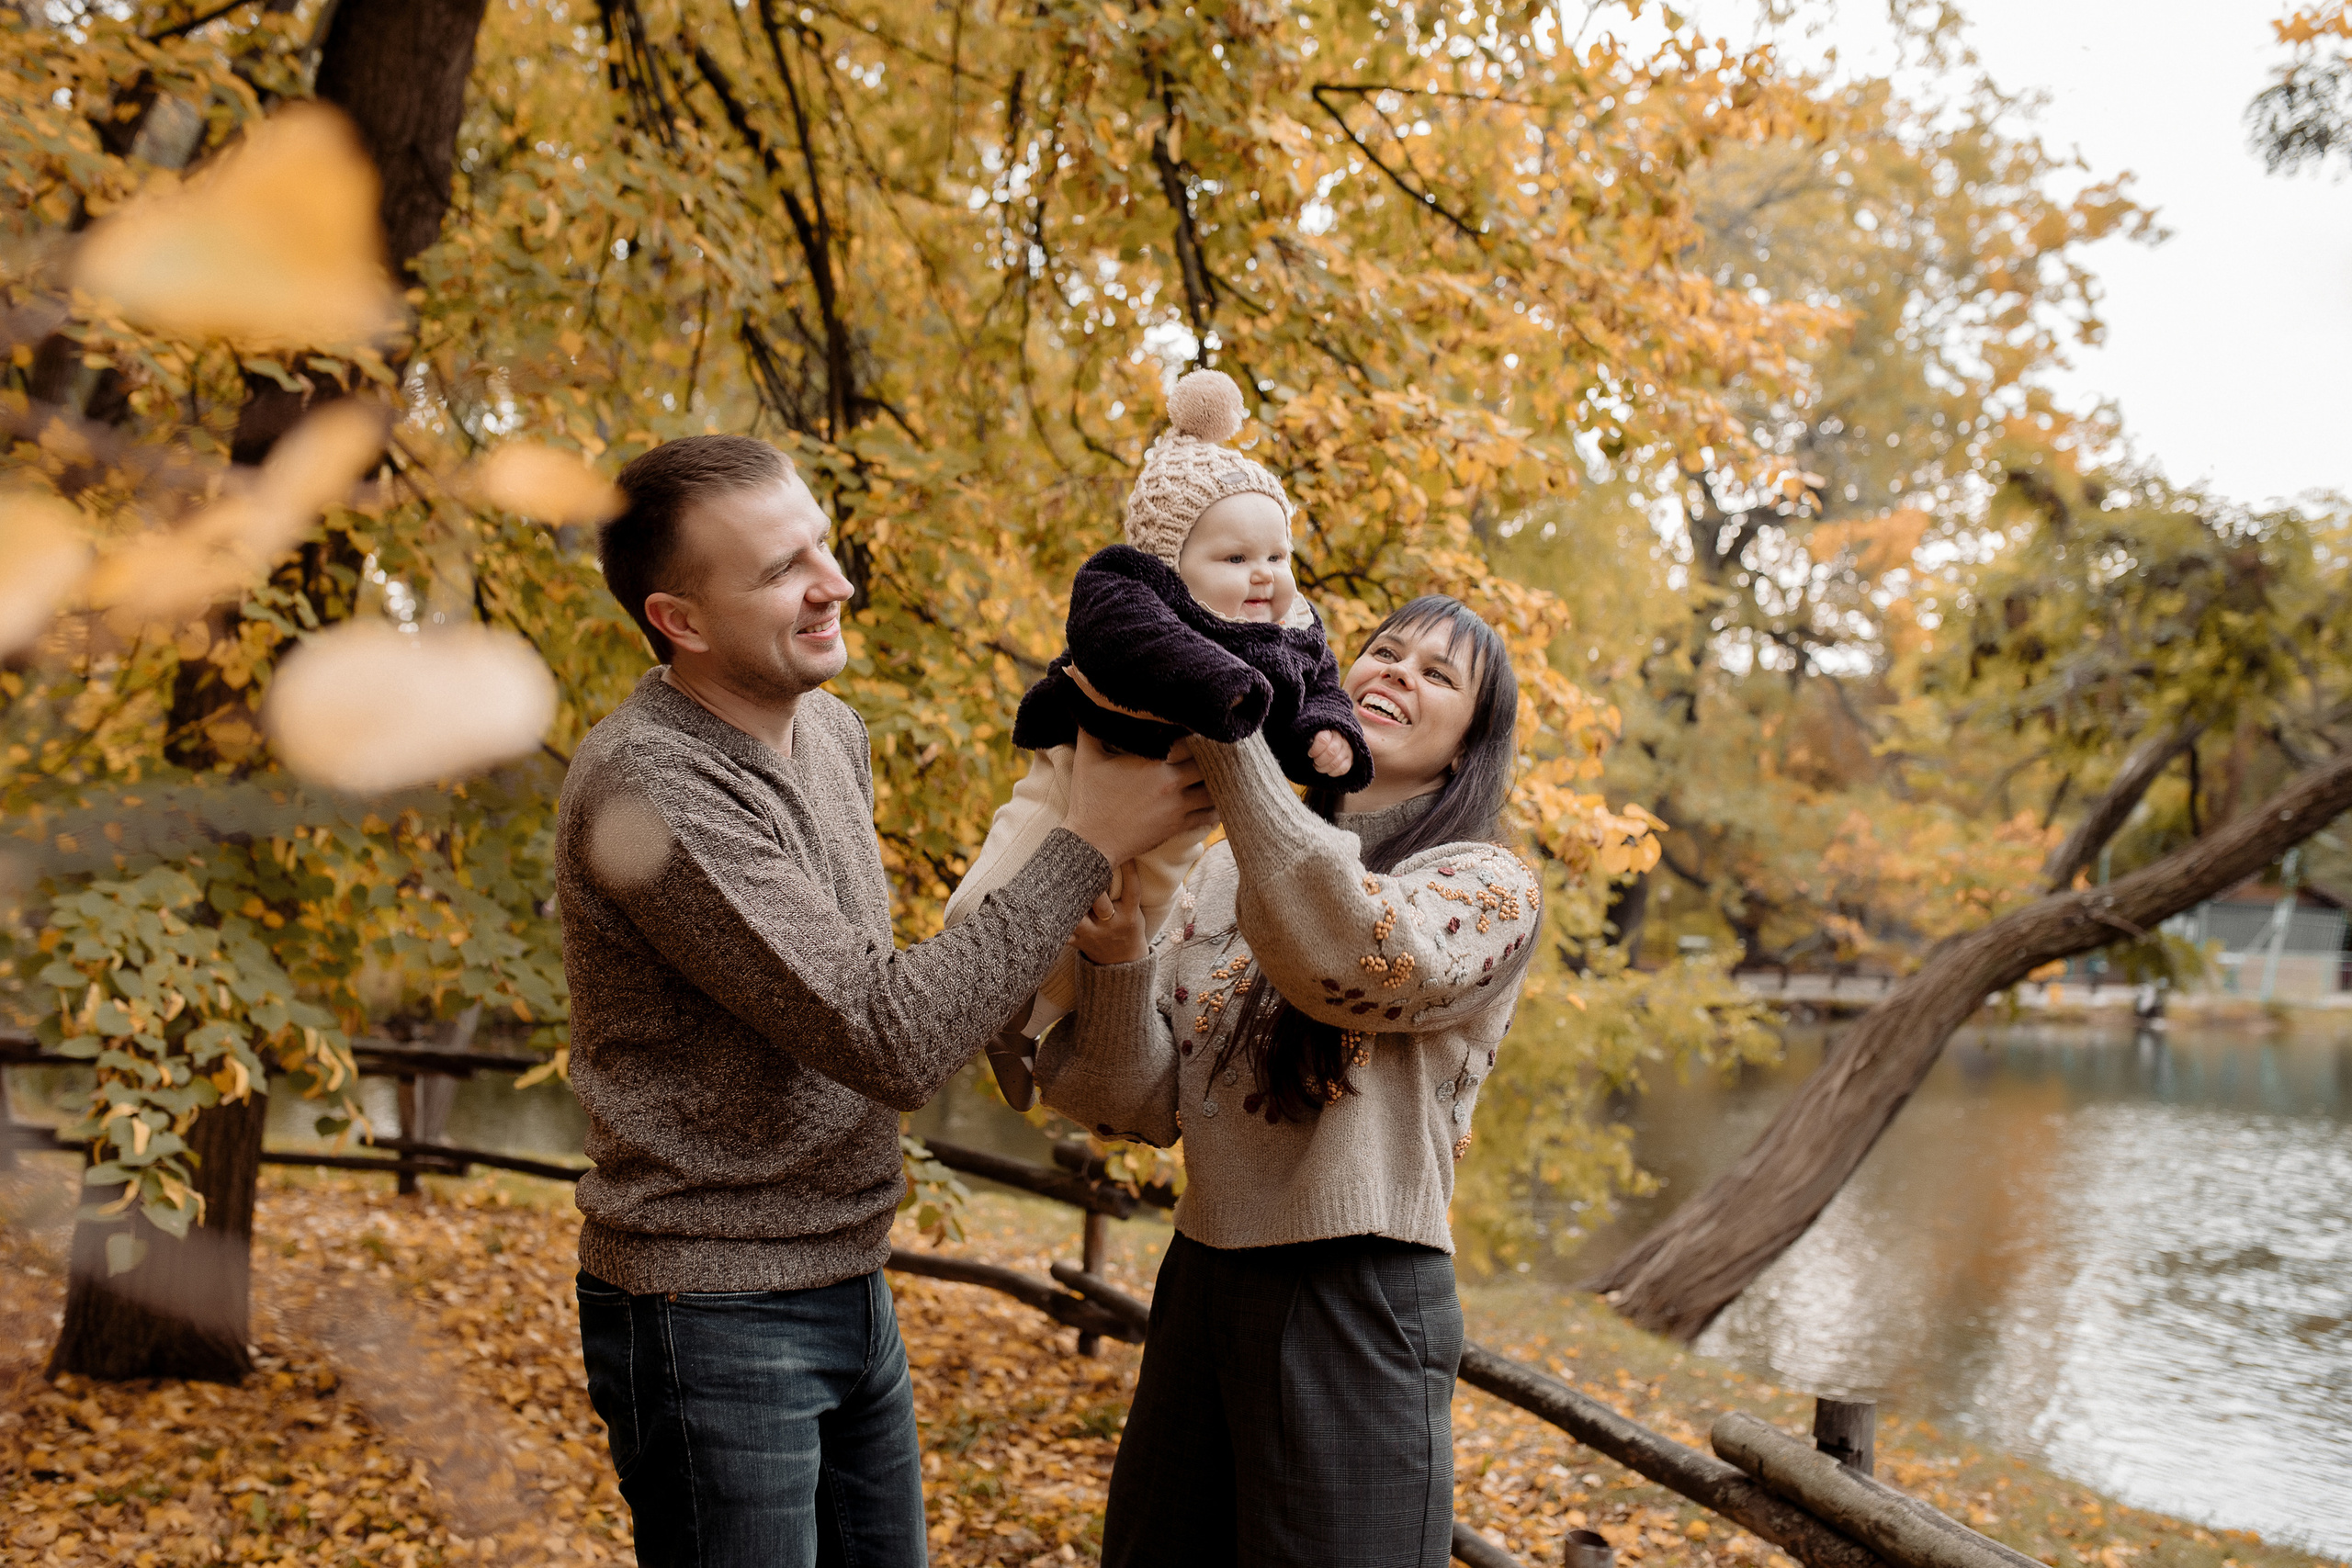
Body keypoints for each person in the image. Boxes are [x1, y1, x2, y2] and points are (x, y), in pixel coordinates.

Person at [553, 434, 1213, 1568]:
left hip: (851, 1273)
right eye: (779, 569)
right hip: (710, 1309)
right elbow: (889, 1036)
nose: (834, 580)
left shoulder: (831, 733)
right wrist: (1087, 835)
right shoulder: (653, 786)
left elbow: (874, 994)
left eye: (822, 541)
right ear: (682, 621)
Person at [1035, 595, 1542, 1568]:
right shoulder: (1221, 875)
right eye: (1385, 653)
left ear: (1465, 748)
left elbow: (1351, 956)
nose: (1398, 672)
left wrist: (1232, 735)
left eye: (1439, 675)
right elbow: (1135, 1104)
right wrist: (1118, 964)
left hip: (1359, 1286)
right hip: (1204, 1271)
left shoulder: (1487, 884)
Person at [944, 368, 1368, 1111]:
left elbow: (1320, 685)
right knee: (1008, 889)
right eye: (1235, 560)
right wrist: (1220, 684)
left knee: (1126, 933)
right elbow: (1122, 637)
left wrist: (1329, 730)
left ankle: (1019, 1025)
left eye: (1277, 557)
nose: (1264, 576)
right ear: (1172, 564)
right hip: (1085, 774)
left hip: (1178, 827)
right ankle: (956, 988)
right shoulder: (1131, 591)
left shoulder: (1289, 631)